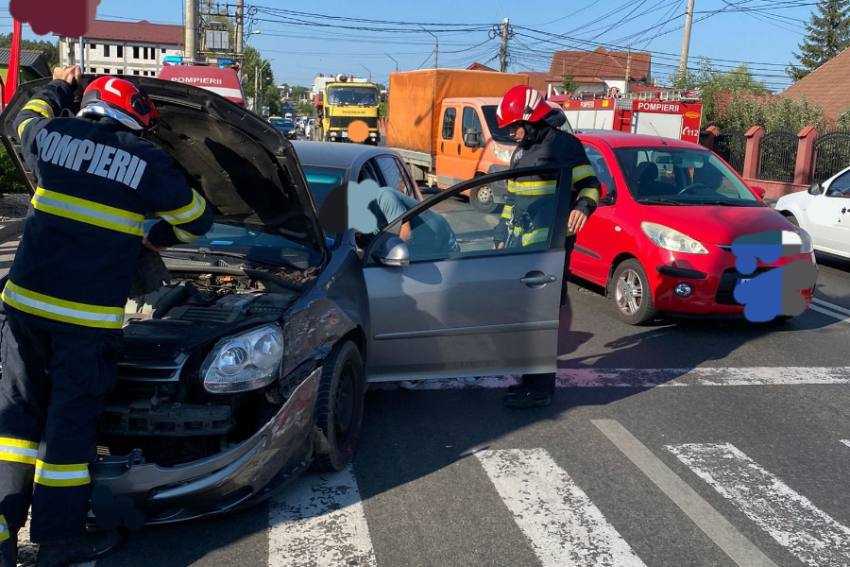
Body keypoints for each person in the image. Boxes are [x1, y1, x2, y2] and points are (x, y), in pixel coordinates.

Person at [0, 66, 213, 566]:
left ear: (90, 104)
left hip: (23, 310)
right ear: (136, 118)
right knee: (68, 430)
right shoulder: (145, 158)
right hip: (85, 322)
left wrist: (59, 85)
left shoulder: (52, 136)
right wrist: (150, 235)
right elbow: (199, 220)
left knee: (14, 424)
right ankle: (57, 542)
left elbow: (23, 119)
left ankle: (4, 535)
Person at [495, 85, 600, 409]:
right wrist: (502, 230)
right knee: (527, 317)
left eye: (515, 126)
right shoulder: (521, 151)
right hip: (523, 248)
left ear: (532, 119)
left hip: (551, 248)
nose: (512, 133)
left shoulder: (564, 146)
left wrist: (582, 208)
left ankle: (540, 389)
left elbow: (591, 184)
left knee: (541, 316)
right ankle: (529, 379)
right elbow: (513, 198)